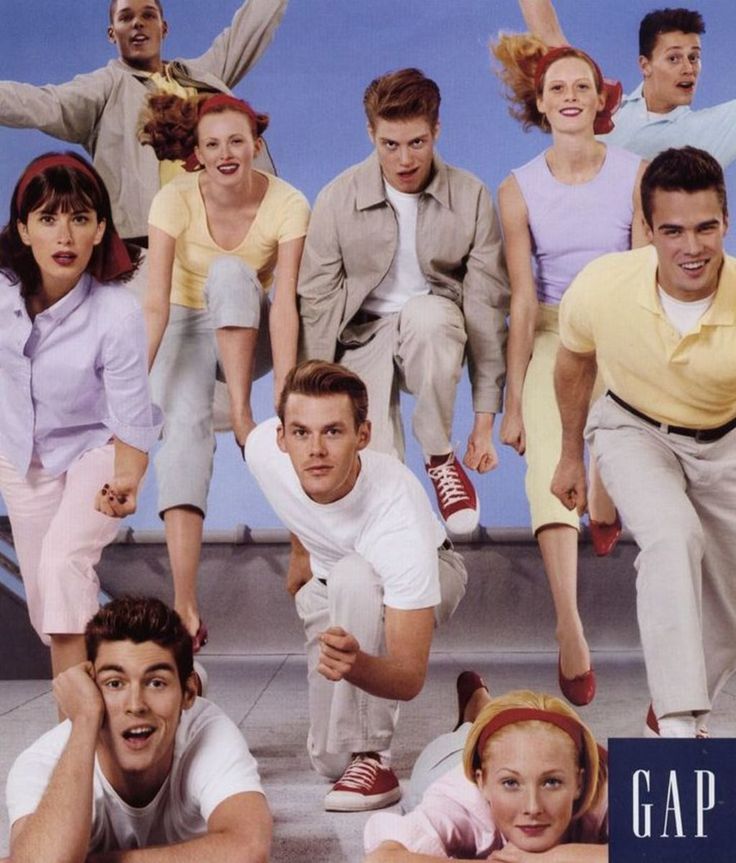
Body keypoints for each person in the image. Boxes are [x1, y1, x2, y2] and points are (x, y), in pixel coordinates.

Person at [551, 146, 736, 738]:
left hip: (723, 440)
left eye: (706, 228)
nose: (692, 247)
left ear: (725, 224)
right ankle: (681, 724)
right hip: (631, 426)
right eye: (674, 230)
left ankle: (669, 707)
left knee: (729, 613)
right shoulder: (604, 284)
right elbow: (575, 362)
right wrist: (570, 454)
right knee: (672, 537)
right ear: (649, 231)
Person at [492, 37, 647, 706]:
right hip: (555, 330)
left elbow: (644, 273)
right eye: (557, 88)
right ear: (540, 102)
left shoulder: (637, 172)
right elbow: (523, 298)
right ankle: (570, 625)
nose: (570, 96)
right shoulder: (518, 187)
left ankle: (606, 493)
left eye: (581, 85)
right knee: (546, 465)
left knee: (617, 425)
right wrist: (513, 400)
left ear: (601, 97)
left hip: (617, 324)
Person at [244, 360, 468, 811]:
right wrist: (300, 552)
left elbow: (407, 676)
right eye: (301, 433)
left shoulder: (394, 517)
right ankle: (473, 709)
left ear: (362, 436)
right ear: (282, 438)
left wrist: (357, 663)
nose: (315, 450)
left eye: (333, 432)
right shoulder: (262, 452)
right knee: (328, 760)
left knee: (354, 573)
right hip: (330, 584)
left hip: (430, 568)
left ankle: (374, 758)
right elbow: (294, 502)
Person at [297, 68, 509, 536]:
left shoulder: (471, 197)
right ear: (371, 134)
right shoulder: (337, 198)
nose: (404, 159)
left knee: (429, 316)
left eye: (417, 142)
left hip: (434, 327)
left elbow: (486, 309)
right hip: (361, 335)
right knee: (376, 468)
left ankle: (438, 458)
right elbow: (316, 302)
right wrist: (310, 392)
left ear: (436, 131)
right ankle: (406, 550)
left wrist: (484, 421)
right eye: (390, 144)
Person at [139, 91, 309, 648]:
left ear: (256, 145)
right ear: (197, 153)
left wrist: (283, 399)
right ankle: (184, 602)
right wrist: (132, 386)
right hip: (184, 328)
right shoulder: (173, 199)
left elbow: (283, 304)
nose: (226, 152)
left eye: (237, 141)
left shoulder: (287, 203)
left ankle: (244, 418)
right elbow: (156, 303)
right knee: (184, 430)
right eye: (212, 144)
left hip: (248, 332)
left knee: (234, 275)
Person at [0, 152, 161, 678]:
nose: (64, 236)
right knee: (51, 608)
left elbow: (134, 418)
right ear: (23, 230)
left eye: (79, 218)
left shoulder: (116, 314)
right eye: (48, 219)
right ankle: (163, 673)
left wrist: (127, 481)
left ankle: (76, 732)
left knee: (64, 562)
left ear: (100, 230)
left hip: (99, 452)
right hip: (21, 457)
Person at [5, 596, 271, 862]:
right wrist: (85, 720)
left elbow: (248, 850)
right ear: (91, 688)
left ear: (189, 693)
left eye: (156, 683)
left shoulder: (207, 731)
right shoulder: (42, 761)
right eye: (114, 683)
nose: (136, 705)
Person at [0, 0, 286, 242]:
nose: (138, 23)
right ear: (112, 34)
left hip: (220, 233)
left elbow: (250, 29)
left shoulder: (199, 75)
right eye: (126, 17)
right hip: (145, 241)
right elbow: (42, 102)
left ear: (164, 28)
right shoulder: (105, 88)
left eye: (148, 15)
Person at [364, 674, 608, 861]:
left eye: (551, 782)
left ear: (579, 782)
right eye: (511, 784)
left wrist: (550, 859)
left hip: (534, 752)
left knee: (522, 746)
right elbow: (384, 858)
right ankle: (477, 708)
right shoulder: (461, 796)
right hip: (449, 758)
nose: (533, 808)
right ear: (481, 782)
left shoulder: (608, 787)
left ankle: (481, 706)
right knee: (471, 734)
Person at [518, 1, 736, 166]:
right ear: (645, 65)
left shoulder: (713, 129)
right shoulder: (602, 105)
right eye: (674, 58)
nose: (688, 68)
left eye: (694, 57)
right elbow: (549, 35)